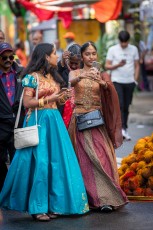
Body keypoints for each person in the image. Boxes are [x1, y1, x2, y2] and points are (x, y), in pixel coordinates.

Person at [0, 43, 89, 221]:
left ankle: (56, 205)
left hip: (54, 120)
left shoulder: (53, 76)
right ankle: (38, 207)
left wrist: (61, 97)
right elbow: (27, 103)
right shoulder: (32, 77)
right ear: (46, 57)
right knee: (40, 164)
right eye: (55, 53)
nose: (57, 56)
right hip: (39, 121)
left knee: (57, 163)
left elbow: (56, 98)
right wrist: (50, 98)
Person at [68, 41, 128, 213]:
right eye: (87, 54)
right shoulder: (75, 73)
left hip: (96, 122)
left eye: (94, 53)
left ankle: (106, 198)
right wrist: (81, 77)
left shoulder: (102, 74)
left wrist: (102, 83)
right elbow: (70, 82)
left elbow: (111, 91)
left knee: (102, 157)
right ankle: (85, 199)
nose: (91, 57)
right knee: (82, 161)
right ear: (81, 56)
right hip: (78, 121)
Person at [105, 31, 140, 141]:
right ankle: (120, 129)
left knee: (126, 106)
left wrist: (135, 79)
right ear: (119, 40)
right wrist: (118, 65)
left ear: (128, 41)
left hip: (129, 81)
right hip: (117, 80)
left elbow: (137, 65)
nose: (124, 44)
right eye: (122, 42)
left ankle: (125, 128)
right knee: (120, 105)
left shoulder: (133, 49)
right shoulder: (113, 49)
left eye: (125, 42)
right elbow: (107, 65)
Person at [0, 42, 25, 192]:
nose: (8, 60)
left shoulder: (21, 73)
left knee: (18, 158)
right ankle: (5, 189)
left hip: (18, 122)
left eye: (11, 57)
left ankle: (16, 191)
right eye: (4, 58)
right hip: (1, 123)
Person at [57, 43, 81, 124]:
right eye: (72, 62)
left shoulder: (84, 71)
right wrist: (62, 61)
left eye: (76, 63)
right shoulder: (63, 70)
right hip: (64, 109)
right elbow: (55, 73)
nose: (73, 66)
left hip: (79, 108)